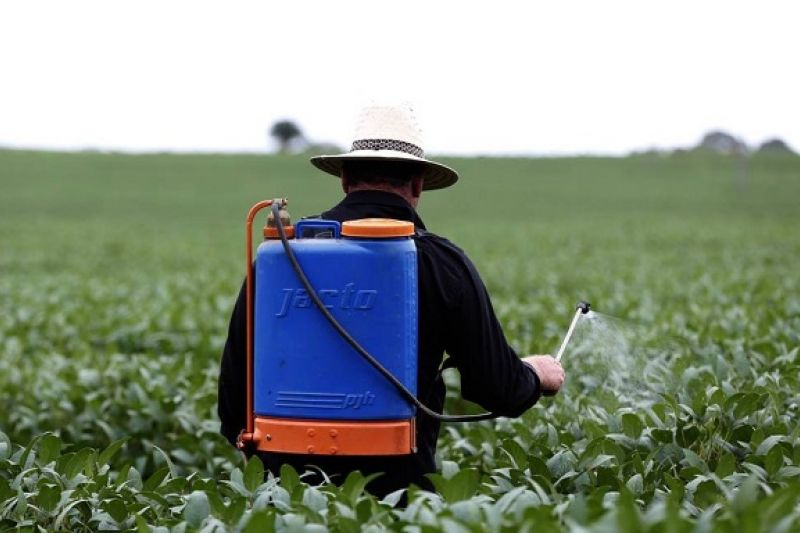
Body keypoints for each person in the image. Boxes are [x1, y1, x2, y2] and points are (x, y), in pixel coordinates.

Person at [217, 104, 565, 497]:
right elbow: (497, 388)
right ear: (418, 184)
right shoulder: (442, 263)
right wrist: (535, 374)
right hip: (398, 497)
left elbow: (234, 402)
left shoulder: (281, 254)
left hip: (286, 497)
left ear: (345, 178)